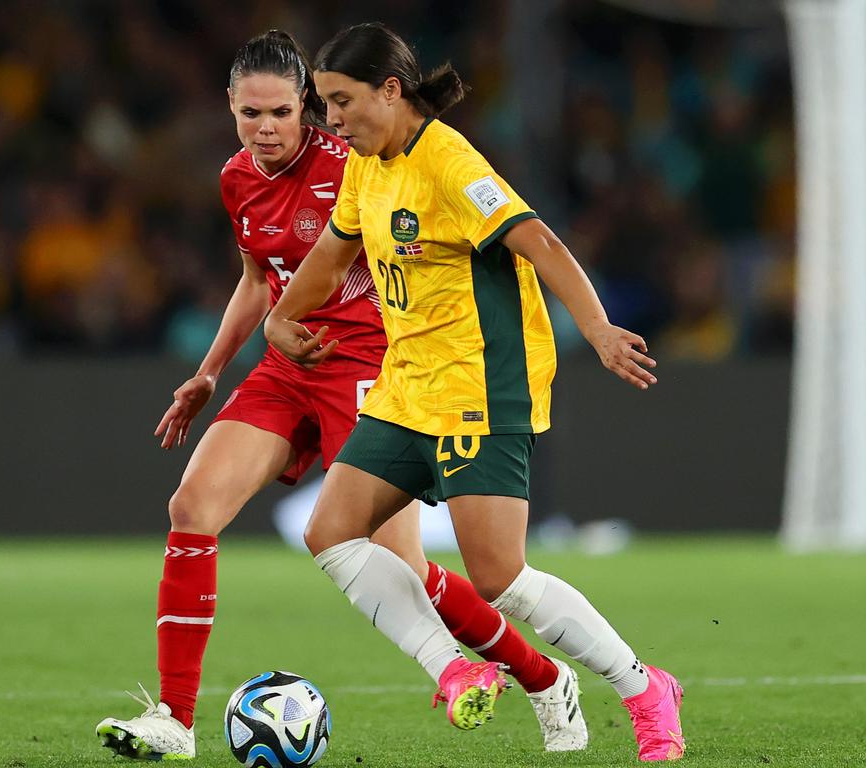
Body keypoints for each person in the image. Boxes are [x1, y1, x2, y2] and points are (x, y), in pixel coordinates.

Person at [95, 30, 587, 762]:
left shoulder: (354, 162)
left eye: (281, 113)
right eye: (249, 114)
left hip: (367, 363)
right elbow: (259, 280)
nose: (264, 130)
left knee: (402, 569)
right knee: (191, 508)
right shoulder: (236, 178)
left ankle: (543, 678)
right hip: (288, 364)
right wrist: (210, 370)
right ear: (230, 106)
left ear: (308, 111)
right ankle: (172, 716)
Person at [264, 23, 685, 763]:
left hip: (480, 388)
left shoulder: (451, 164)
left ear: (390, 91)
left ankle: (644, 686)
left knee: (498, 578)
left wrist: (599, 328)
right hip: (406, 387)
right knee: (330, 531)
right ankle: (455, 668)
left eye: (341, 102)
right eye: (324, 105)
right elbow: (331, 255)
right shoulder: (367, 164)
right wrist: (281, 318)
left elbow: (542, 243)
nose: (332, 121)